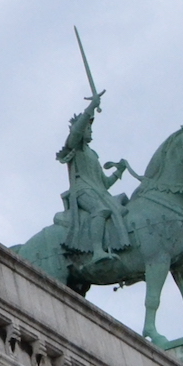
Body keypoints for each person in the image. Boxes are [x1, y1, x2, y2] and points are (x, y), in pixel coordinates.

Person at [57, 92, 133, 270]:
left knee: (117, 209)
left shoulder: (93, 155)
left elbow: (104, 183)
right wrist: (90, 108)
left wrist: (118, 172)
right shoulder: (76, 146)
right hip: (82, 190)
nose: (90, 131)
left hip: (98, 191)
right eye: (88, 128)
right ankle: (98, 251)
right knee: (100, 210)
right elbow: (75, 132)